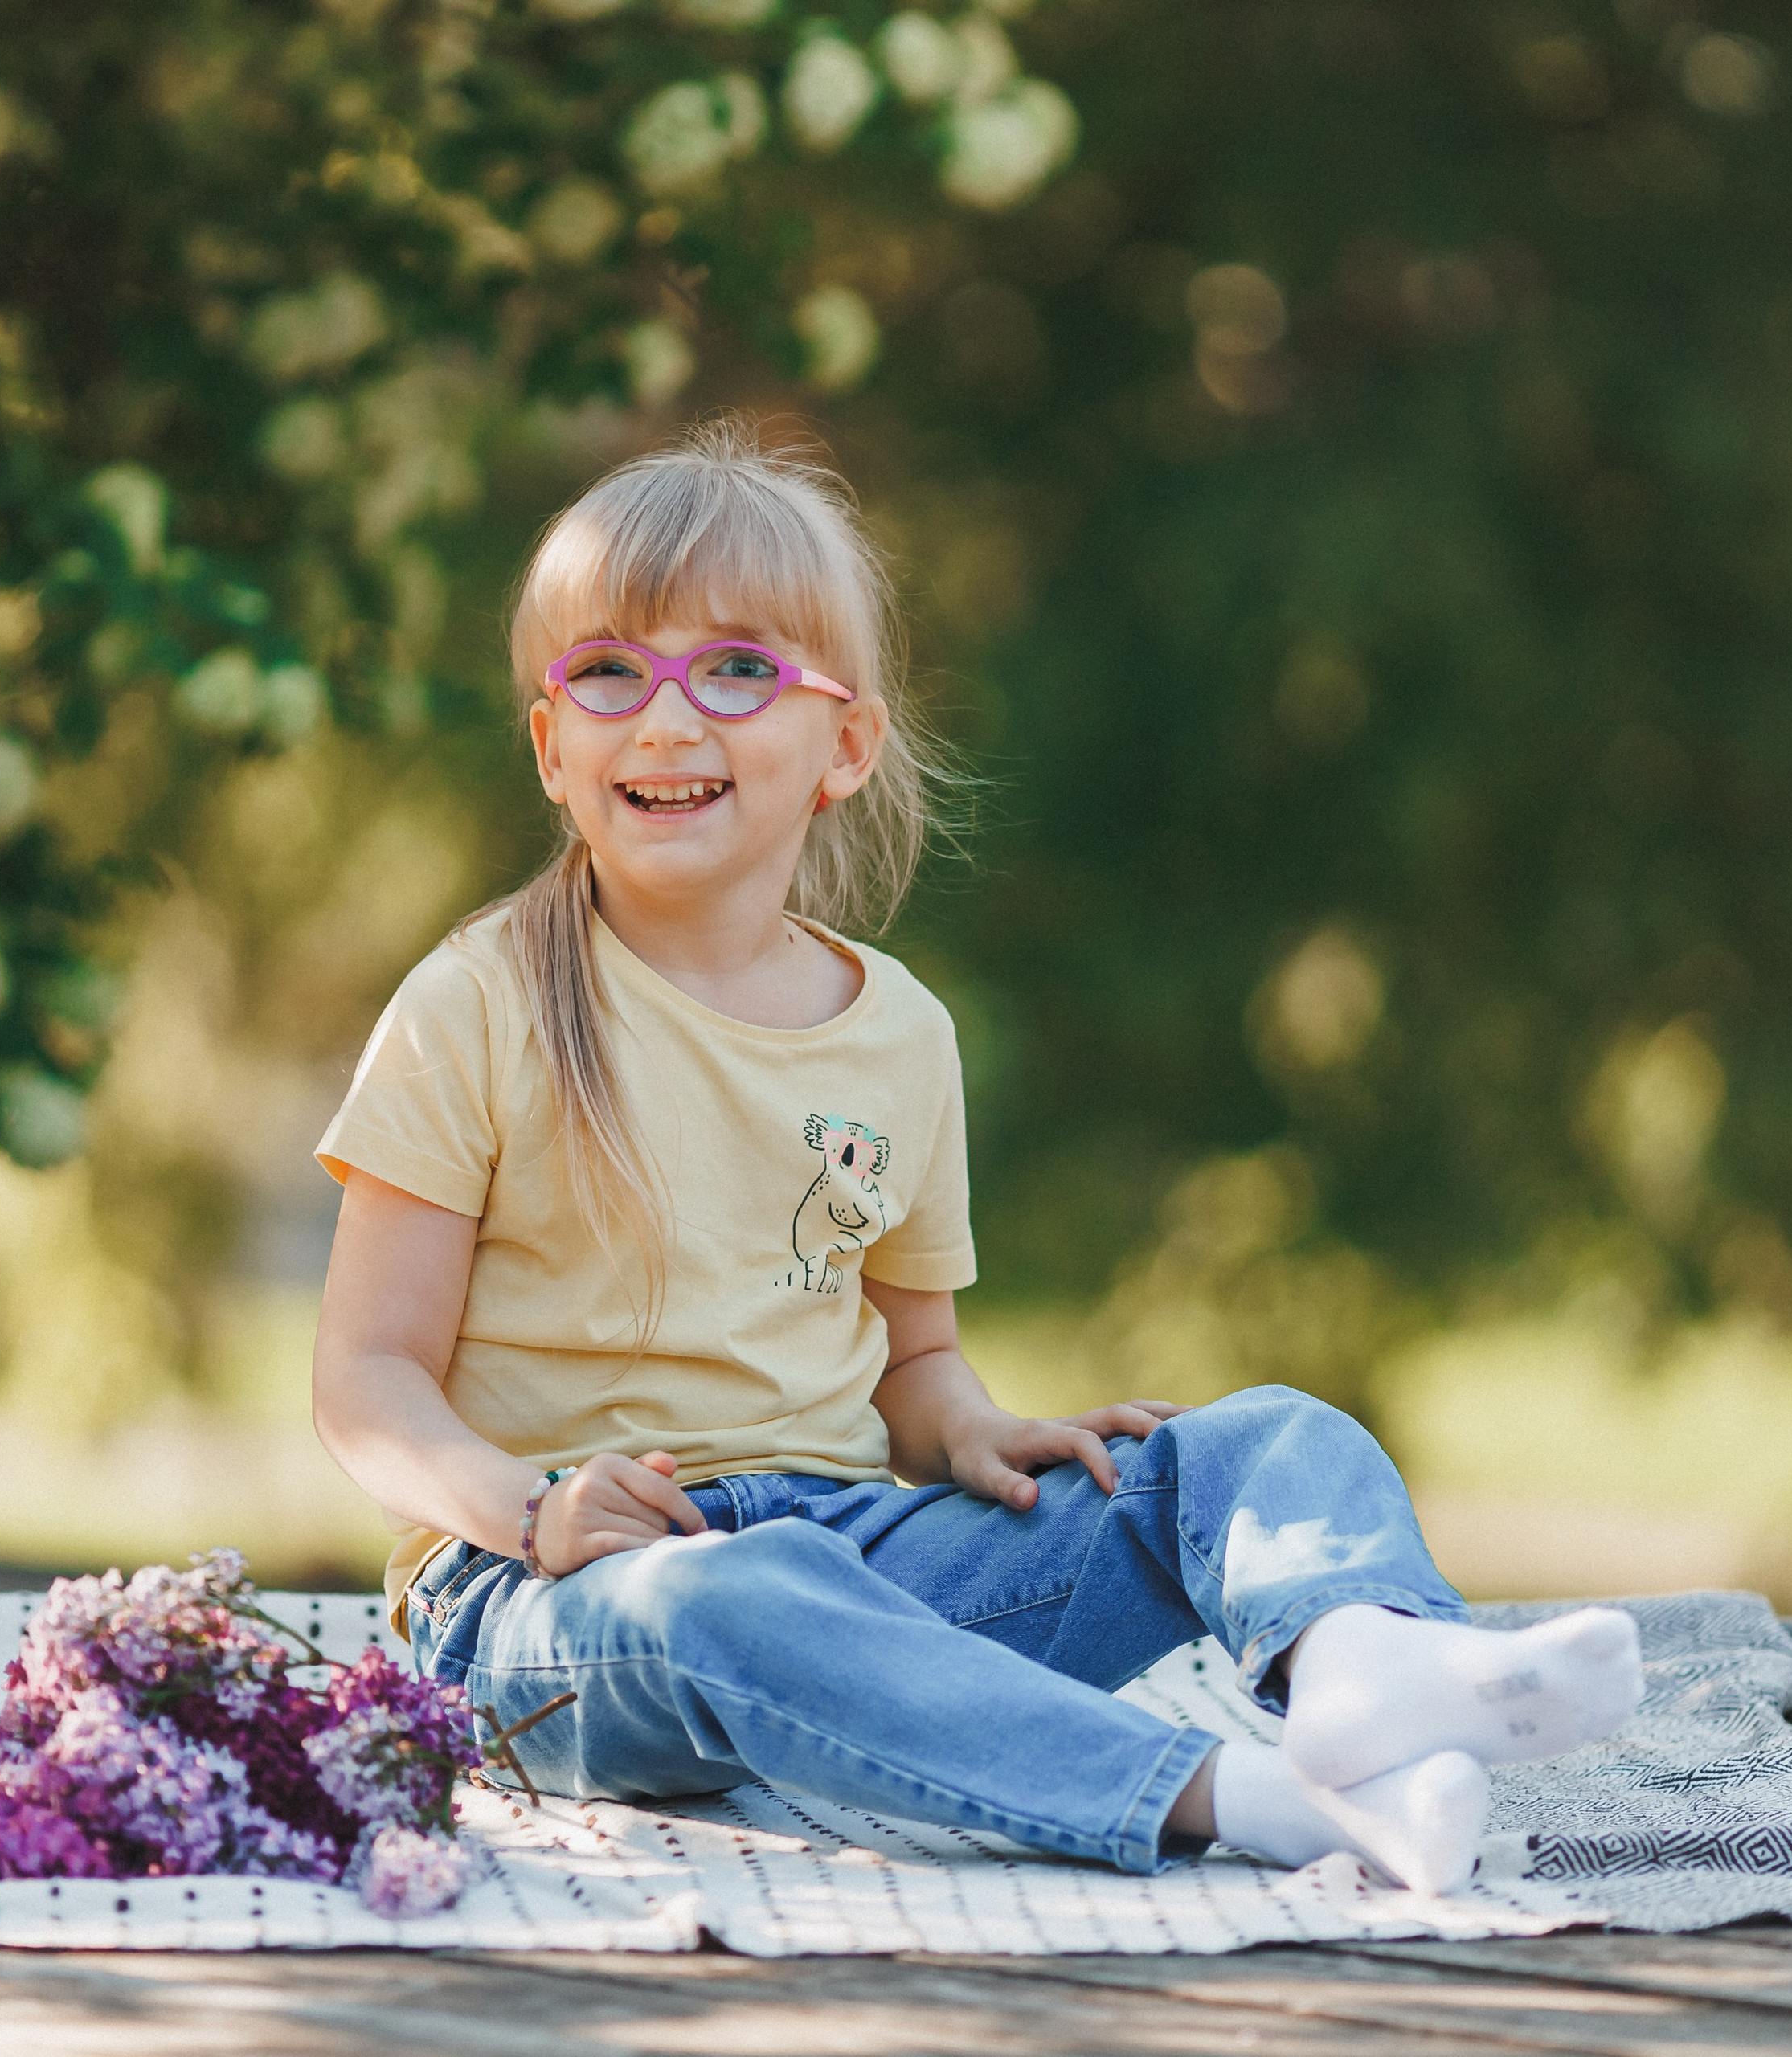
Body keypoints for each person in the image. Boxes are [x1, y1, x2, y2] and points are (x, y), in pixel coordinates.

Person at [310, 418, 1643, 1896]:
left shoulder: (899, 1038)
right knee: (741, 1599)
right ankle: (1248, 1799)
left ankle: (1360, 1671)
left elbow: (910, 1364)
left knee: (1260, 1440)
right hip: (556, 1605)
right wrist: (531, 1512)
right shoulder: (477, 1005)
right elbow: (365, 1382)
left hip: (863, 1547)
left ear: (848, 745)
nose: (668, 718)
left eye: (739, 669)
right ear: (556, 749)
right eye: (610, 672)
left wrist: (974, 1429)